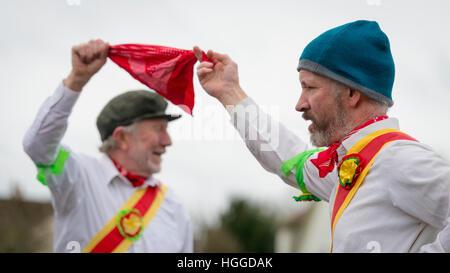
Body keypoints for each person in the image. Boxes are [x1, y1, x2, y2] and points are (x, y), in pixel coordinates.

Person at [193, 20, 450, 252]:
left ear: (351, 93)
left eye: (310, 88)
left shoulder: (398, 158)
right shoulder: (350, 163)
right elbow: (287, 156)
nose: (299, 104)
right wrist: (230, 92)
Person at [23, 39, 193, 253]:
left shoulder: (173, 206)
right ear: (122, 138)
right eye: (158, 129)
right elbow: (37, 146)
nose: (168, 141)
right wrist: (76, 80)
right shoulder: (77, 176)